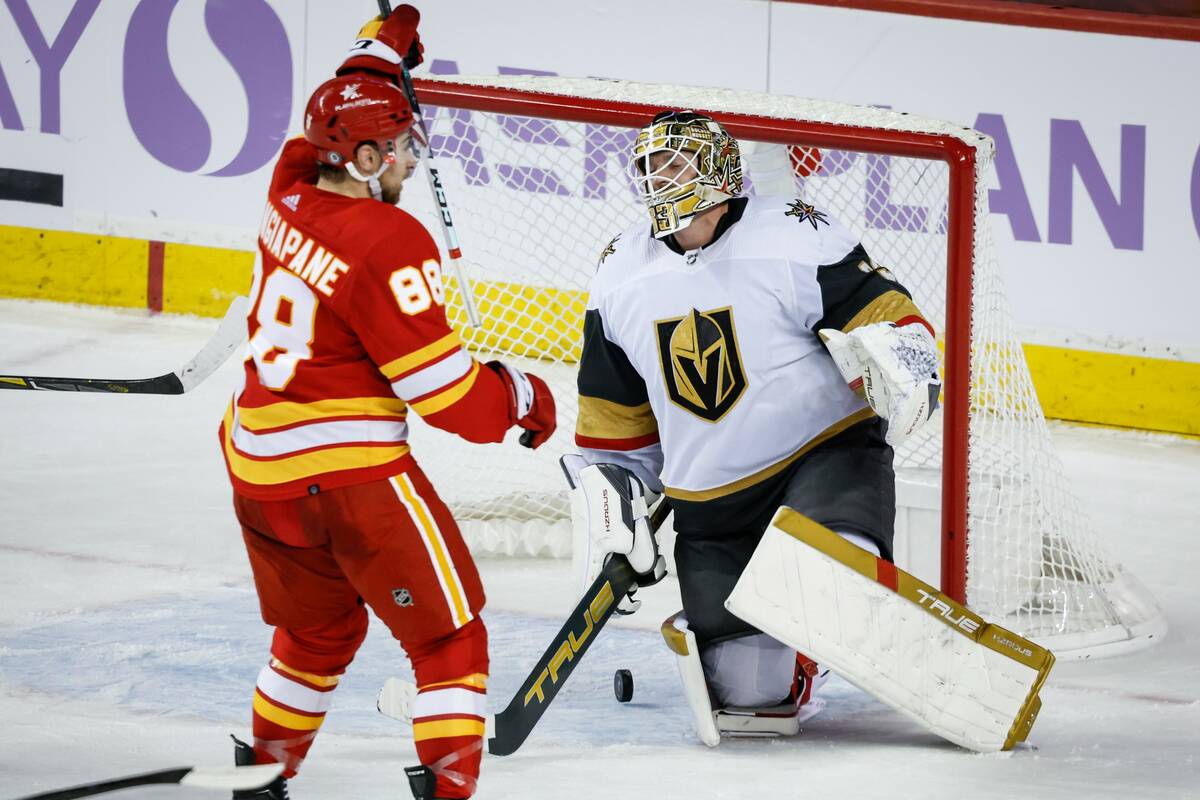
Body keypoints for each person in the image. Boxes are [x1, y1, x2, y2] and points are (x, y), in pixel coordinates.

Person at [217, 7, 555, 799]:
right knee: (450, 640)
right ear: (364, 156)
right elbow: (450, 403)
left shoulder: (290, 185)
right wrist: (520, 396)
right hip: (351, 483)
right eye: (399, 145)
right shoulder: (388, 241)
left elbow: (335, 108)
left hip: (257, 474)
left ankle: (262, 778)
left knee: (317, 630)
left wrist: (381, 49)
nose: (412, 154)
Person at [569, 111, 940, 741]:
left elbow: (888, 314)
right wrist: (616, 511)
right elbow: (614, 422)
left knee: (833, 573)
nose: (663, 180)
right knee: (751, 699)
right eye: (652, 168)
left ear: (718, 171)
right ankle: (798, 662)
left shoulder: (794, 235)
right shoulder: (619, 275)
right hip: (713, 504)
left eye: (677, 164)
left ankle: (829, 622)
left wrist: (902, 358)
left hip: (820, 458)